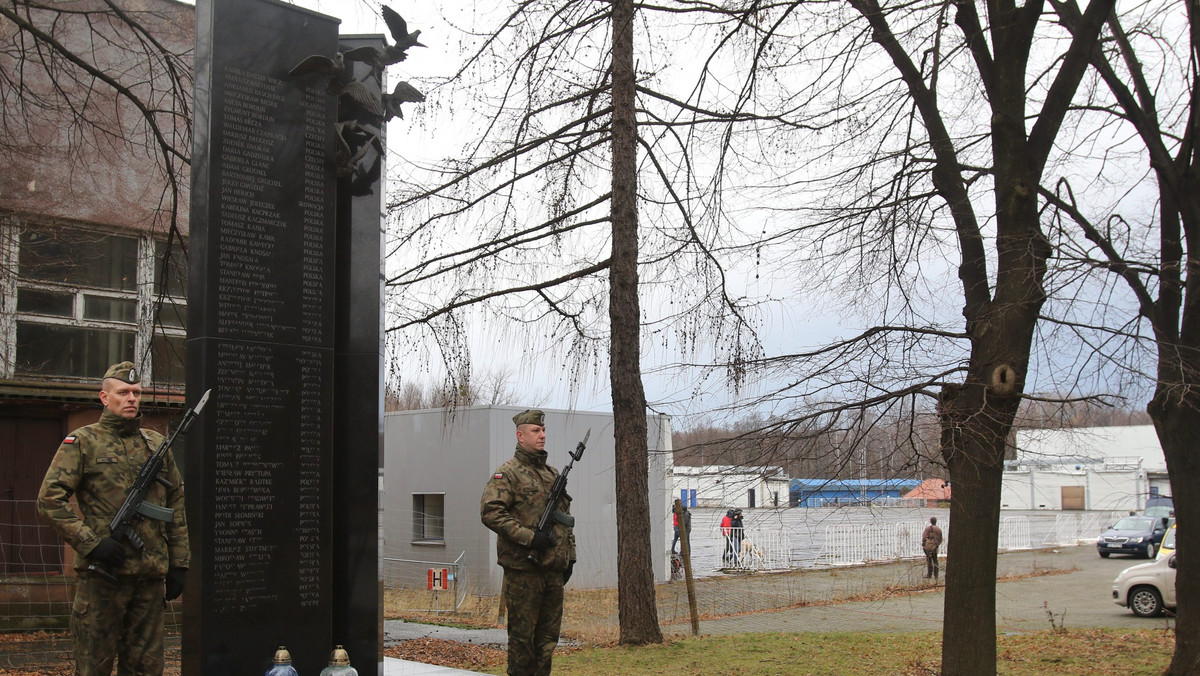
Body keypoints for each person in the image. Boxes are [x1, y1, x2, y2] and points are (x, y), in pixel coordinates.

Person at [36, 361, 190, 676]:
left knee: (147, 669)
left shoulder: (156, 444)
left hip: (148, 581)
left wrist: (179, 563)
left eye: (136, 392)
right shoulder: (83, 442)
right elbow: (49, 499)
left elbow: (175, 501)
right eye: (123, 392)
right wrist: (90, 544)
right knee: (94, 667)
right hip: (103, 579)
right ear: (105, 398)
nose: (132, 398)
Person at [481, 409, 576, 676]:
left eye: (543, 430)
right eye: (536, 431)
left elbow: (564, 518)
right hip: (524, 571)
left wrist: (570, 556)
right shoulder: (508, 474)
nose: (542, 435)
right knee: (523, 642)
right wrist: (530, 537)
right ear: (520, 436)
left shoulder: (552, 474)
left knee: (547, 642)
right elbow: (491, 512)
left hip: (552, 570)